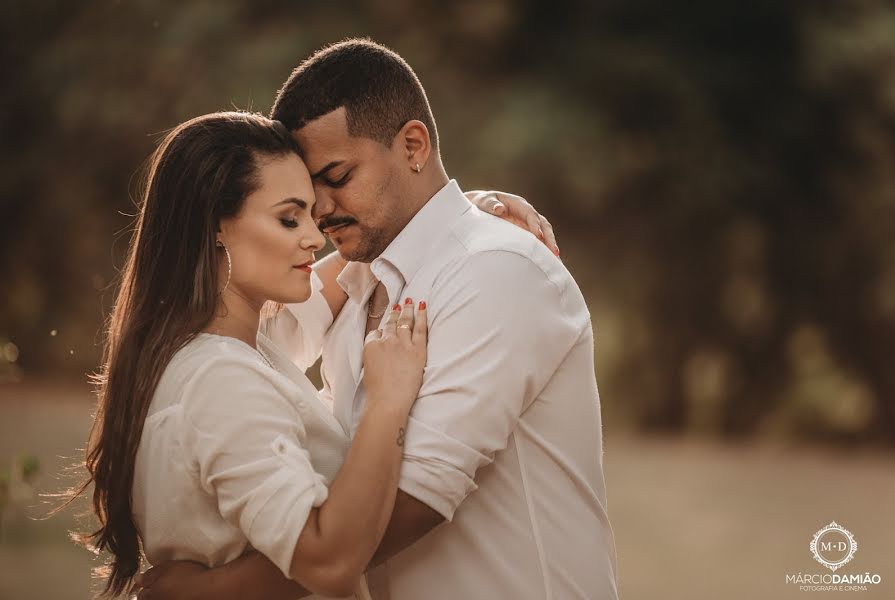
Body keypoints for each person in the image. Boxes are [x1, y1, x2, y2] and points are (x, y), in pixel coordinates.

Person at [138, 39, 618, 600]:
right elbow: (235, 338)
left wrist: (216, 593)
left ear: (414, 145)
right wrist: (453, 209)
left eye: (336, 176)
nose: (319, 212)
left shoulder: (495, 272)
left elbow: (412, 502)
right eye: (304, 195)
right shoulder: (362, 277)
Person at [71, 110, 543, 600]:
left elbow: (347, 273)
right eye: (288, 217)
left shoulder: (214, 349)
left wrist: (450, 212)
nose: (316, 237)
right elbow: (329, 561)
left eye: (312, 216)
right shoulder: (220, 377)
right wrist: (387, 404)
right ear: (214, 226)